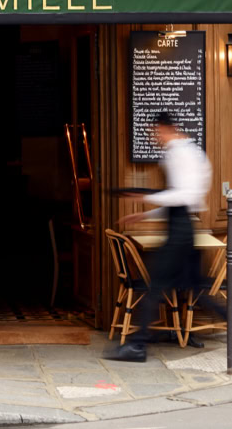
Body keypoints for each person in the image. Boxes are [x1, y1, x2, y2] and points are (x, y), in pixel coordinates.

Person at [105, 111, 215, 362]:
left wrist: (143, 196)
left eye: (155, 132)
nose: (155, 137)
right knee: (196, 288)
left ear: (167, 128)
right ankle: (147, 341)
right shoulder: (193, 152)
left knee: (155, 286)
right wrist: (143, 215)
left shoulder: (179, 154)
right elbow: (180, 200)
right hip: (184, 226)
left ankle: (138, 346)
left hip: (180, 230)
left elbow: (182, 197)